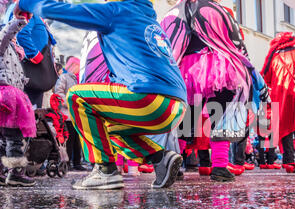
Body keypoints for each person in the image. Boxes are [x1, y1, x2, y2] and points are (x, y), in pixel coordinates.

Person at [14, 0, 187, 190]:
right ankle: (160, 158)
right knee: (108, 130)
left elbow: (65, 11)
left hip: (149, 100)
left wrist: (26, 3)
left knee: (76, 96)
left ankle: (105, 170)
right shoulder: (149, 20)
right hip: (176, 107)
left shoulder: (116, 11)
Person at [161, 0, 268, 182]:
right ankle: (219, 166)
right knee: (222, 116)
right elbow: (237, 46)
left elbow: (167, 42)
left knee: (185, 119)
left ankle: (175, 166)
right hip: (220, 69)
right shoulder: (218, 10)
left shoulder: (176, 10)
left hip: (187, 70)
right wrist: (256, 78)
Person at [261, 32, 295, 174]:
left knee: (285, 129)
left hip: (280, 97)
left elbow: (267, 79)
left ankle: (288, 162)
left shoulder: (274, 58)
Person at [0, 18, 36, 187]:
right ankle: (15, 173)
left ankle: (3, 172)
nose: (15, 38)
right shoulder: (3, 43)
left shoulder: (12, 50)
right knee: (13, 136)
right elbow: (6, 34)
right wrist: (19, 21)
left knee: (4, 137)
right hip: (8, 96)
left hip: (9, 95)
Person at [4, 0, 57, 108]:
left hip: (34, 70)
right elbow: (21, 35)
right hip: (33, 69)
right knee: (30, 108)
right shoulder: (27, 9)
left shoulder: (29, 9)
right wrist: (35, 56)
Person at [54, 56, 86, 171]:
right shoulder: (64, 77)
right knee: (69, 139)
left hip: (77, 115)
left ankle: (77, 162)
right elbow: (58, 92)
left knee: (77, 140)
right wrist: (69, 103)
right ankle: (66, 163)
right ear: (73, 65)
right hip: (67, 115)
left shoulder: (78, 79)